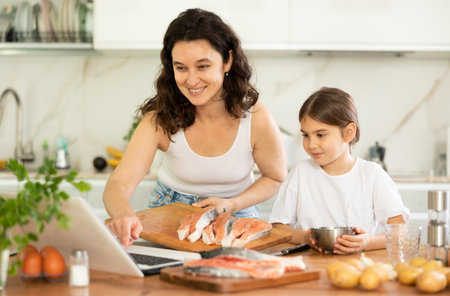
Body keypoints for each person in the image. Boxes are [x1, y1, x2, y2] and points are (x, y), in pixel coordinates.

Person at [103, 8, 287, 248]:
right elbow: (118, 184)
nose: (191, 81)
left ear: (227, 60)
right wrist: (122, 213)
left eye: (202, 66)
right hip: (169, 212)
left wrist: (232, 204)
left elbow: (275, 177)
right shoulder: (159, 118)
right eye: (181, 68)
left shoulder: (255, 116)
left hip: (236, 211)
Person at [269, 87, 410, 254]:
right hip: (309, 262)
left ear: (348, 133)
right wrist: (305, 238)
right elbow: (278, 227)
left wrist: (366, 242)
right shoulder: (301, 172)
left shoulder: (372, 175)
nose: (311, 144)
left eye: (320, 135)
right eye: (306, 135)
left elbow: (400, 232)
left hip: (358, 266)